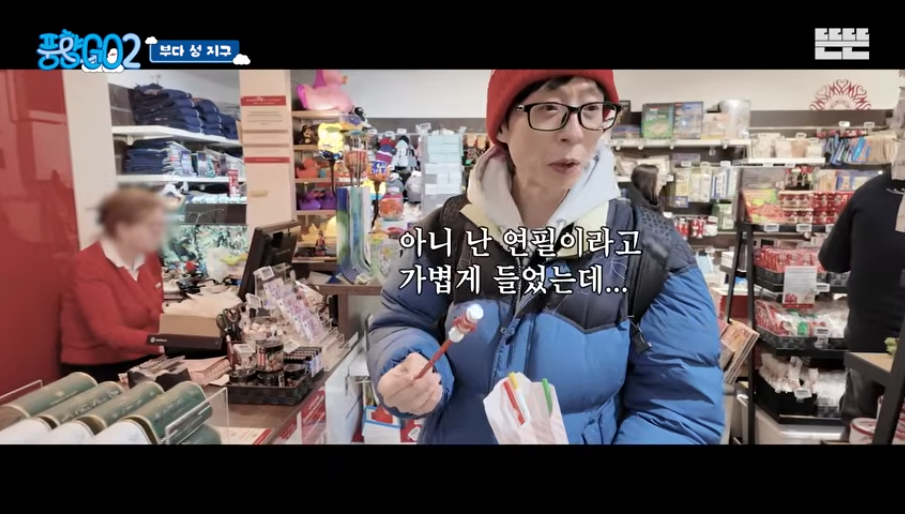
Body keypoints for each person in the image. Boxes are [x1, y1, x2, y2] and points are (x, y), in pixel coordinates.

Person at [366, 70, 724, 444]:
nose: (574, 132)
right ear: (502, 125)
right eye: (550, 108)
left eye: (591, 109)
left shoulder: (652, 249)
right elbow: (402, 320)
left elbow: (679, 412)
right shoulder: (446, 230)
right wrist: (406, 364)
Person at [819, 173, 905, 436]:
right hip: (875, 339)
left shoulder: (870, 191)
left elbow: (832, 260)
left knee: (861, 426)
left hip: (869, 340)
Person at [60, 188, 167, 382]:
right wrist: (166, 342)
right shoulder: (88, 265)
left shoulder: (149, 258)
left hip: (145, 359)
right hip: (96, 371)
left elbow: (155, 314)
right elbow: (109, 333)